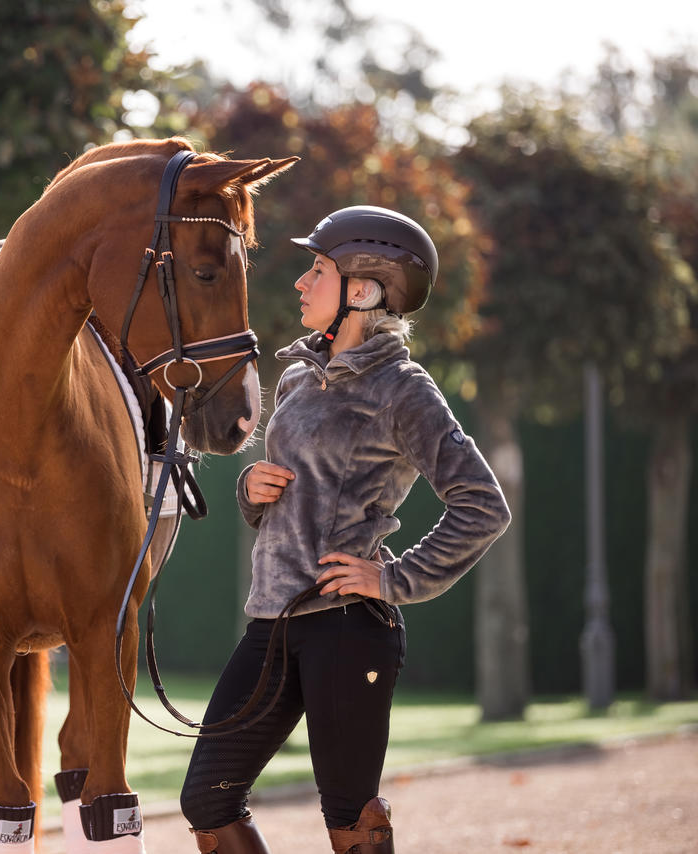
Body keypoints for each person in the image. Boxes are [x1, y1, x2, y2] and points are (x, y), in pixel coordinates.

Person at [178, 206, 512, 854]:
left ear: (362, 290)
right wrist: (251, 491)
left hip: (348, 631)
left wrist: (395, 578)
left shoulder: (403, 389)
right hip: (271, 623)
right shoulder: (299, 377)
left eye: (318, 270)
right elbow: (290, 495)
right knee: (207, 798)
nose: (302, 283)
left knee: (349, 818)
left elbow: (481, 505)